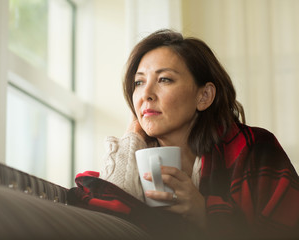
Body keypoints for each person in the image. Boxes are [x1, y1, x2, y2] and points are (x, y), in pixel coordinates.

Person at [98, 29, 299, 239]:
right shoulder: (135, 156)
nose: (145, 94)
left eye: (164, 79)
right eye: (138, 82)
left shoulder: (255, 148)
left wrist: (205, 213)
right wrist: (131, 139)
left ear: (204, 96)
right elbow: (100, 224)